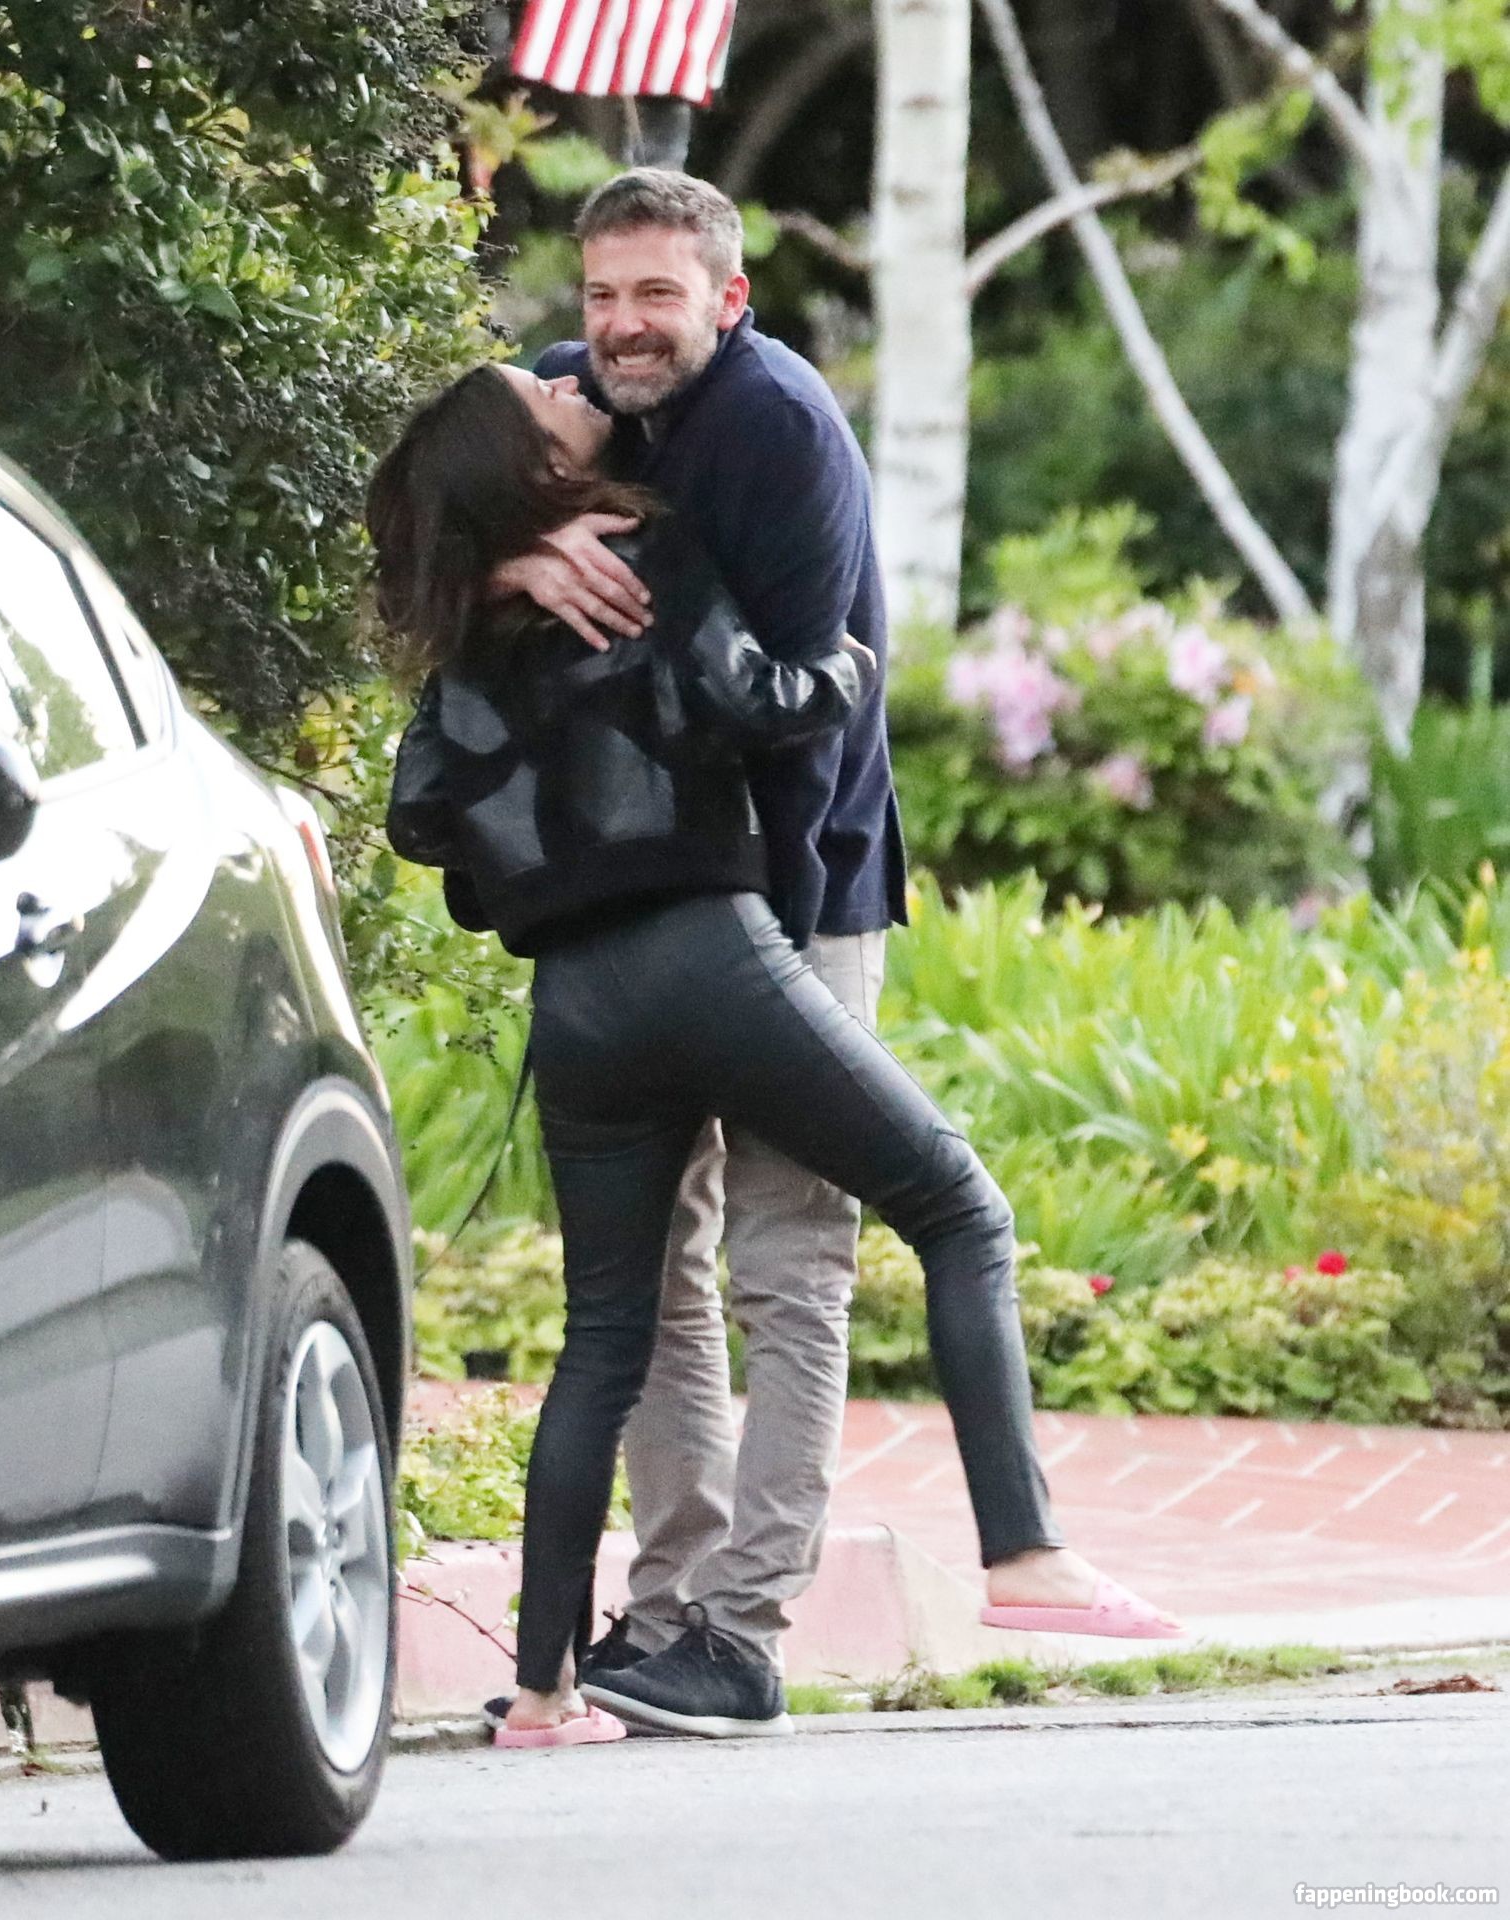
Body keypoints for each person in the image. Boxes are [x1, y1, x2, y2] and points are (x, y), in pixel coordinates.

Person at [368, 362, 1181, 1748]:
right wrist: (850, 666)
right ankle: (1023, 1552)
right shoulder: (645, 550)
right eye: (539, 393)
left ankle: (547, 1693)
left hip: (577, 1006)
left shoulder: (465, 645)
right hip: (710, 958)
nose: (565, 375)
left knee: (602, 1342)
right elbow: (754, 698)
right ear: (535, 463)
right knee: (957, 1210)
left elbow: (422, 821)